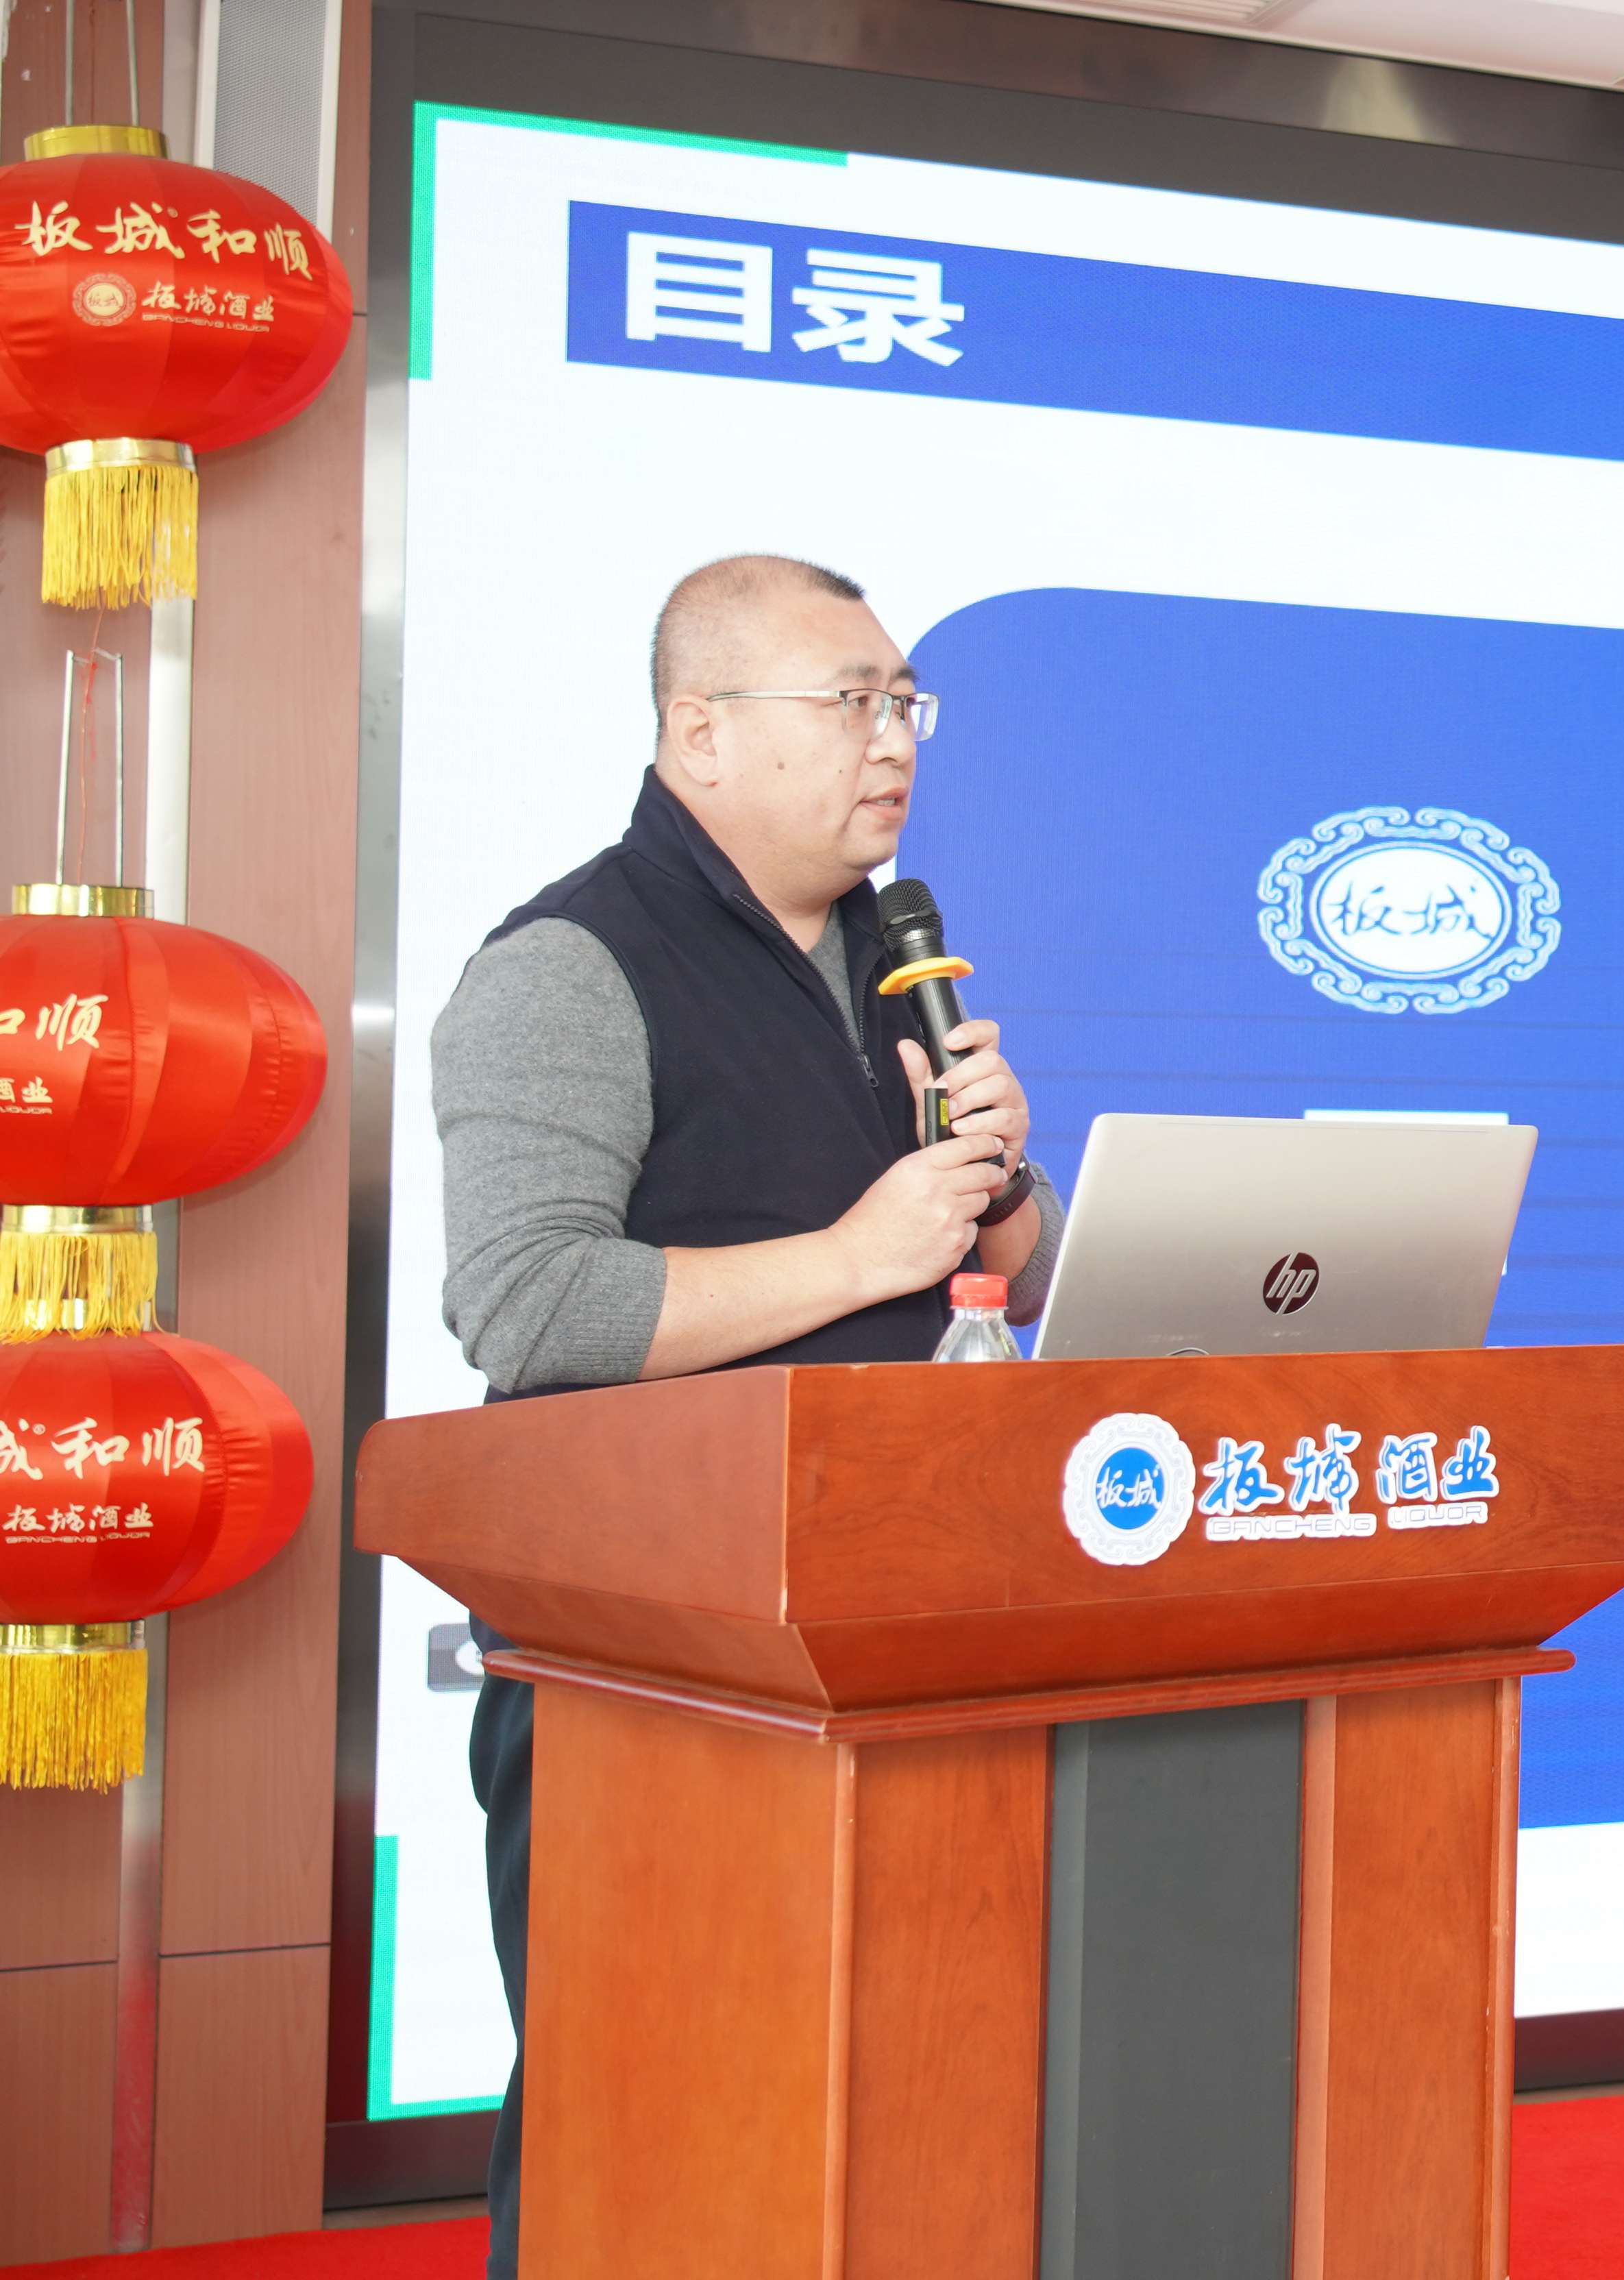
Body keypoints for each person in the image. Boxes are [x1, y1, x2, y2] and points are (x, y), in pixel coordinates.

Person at [427, 555, 1063, 2277]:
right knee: (645, 2101)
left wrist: (1002, 1185)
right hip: (651, 1657)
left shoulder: (897, 959)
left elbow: (1006, 1275)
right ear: (698, 730)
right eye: (850, 701)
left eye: (906, 702)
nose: (894, 739)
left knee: (904, 2095)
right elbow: (527, 1303)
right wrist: (859, 1250)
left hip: (904, 1608)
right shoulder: (571, 964)